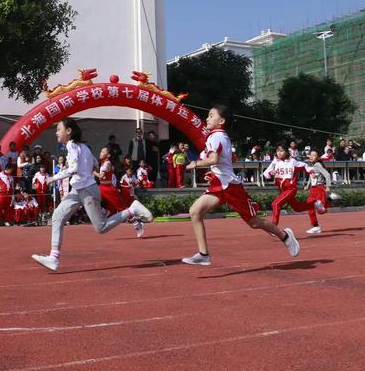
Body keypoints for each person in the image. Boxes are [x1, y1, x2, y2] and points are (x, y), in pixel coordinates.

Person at [182, 105, 300, 266]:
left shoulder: (216, 137)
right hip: (219, 184)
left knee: (253, 222)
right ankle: (204, 254)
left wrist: (195, 163)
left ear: (221, 121)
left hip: (230, 186)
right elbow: (227, 158)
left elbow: (213, 160)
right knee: (195, 211)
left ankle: (285, 236)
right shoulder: (218, 137)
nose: (207, 118)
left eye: (210, 115)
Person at [31, 118, 153, 271]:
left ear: (69, 131)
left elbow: (73, 168)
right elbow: (94, 162)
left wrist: (53, 178)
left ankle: (132, 210)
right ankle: (53, 258)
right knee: (57, 216)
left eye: (59, 129)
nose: (56, 132)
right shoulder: (83, 147)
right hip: (78, 190)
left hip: (87, 190)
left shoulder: (72, 146)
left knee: (101, 227)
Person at [94, 146, 143, 237]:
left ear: (108, 155)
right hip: (101, 187)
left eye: (102, 151)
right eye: (100, 151)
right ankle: (104, 212)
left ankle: (137, 224)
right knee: (92, 199)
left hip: (108, 189)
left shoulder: (107, 163)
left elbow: (101, 176)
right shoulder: (102, 162)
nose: (100, 153)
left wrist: (92, 171)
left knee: (122, 209)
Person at [263, 144, 312, 226]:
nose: (279, 153)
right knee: (297, 208)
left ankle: (274, 227)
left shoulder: (292, 161)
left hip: (291, 189)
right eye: (278, 151)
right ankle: (316, 204)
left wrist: (311, 172)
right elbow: (266, 174)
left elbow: (305, 165)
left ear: (286, 152)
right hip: (283, 190)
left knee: (275, 204)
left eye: (281, 151)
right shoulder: (275, 161)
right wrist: (271, 173)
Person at [292, 150, 334, 234]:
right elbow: (312, 177)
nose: (311, 156)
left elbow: (327, 175)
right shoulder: (311, 165)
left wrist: (328, 186)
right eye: (310, 155)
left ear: (318, 158)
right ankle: (316, 226)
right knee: (309, 207)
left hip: (319, 189)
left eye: (314, 155)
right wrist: (307, 186)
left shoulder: (318, 165)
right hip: (313, 189)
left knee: (320, 211)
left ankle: (329, 199)